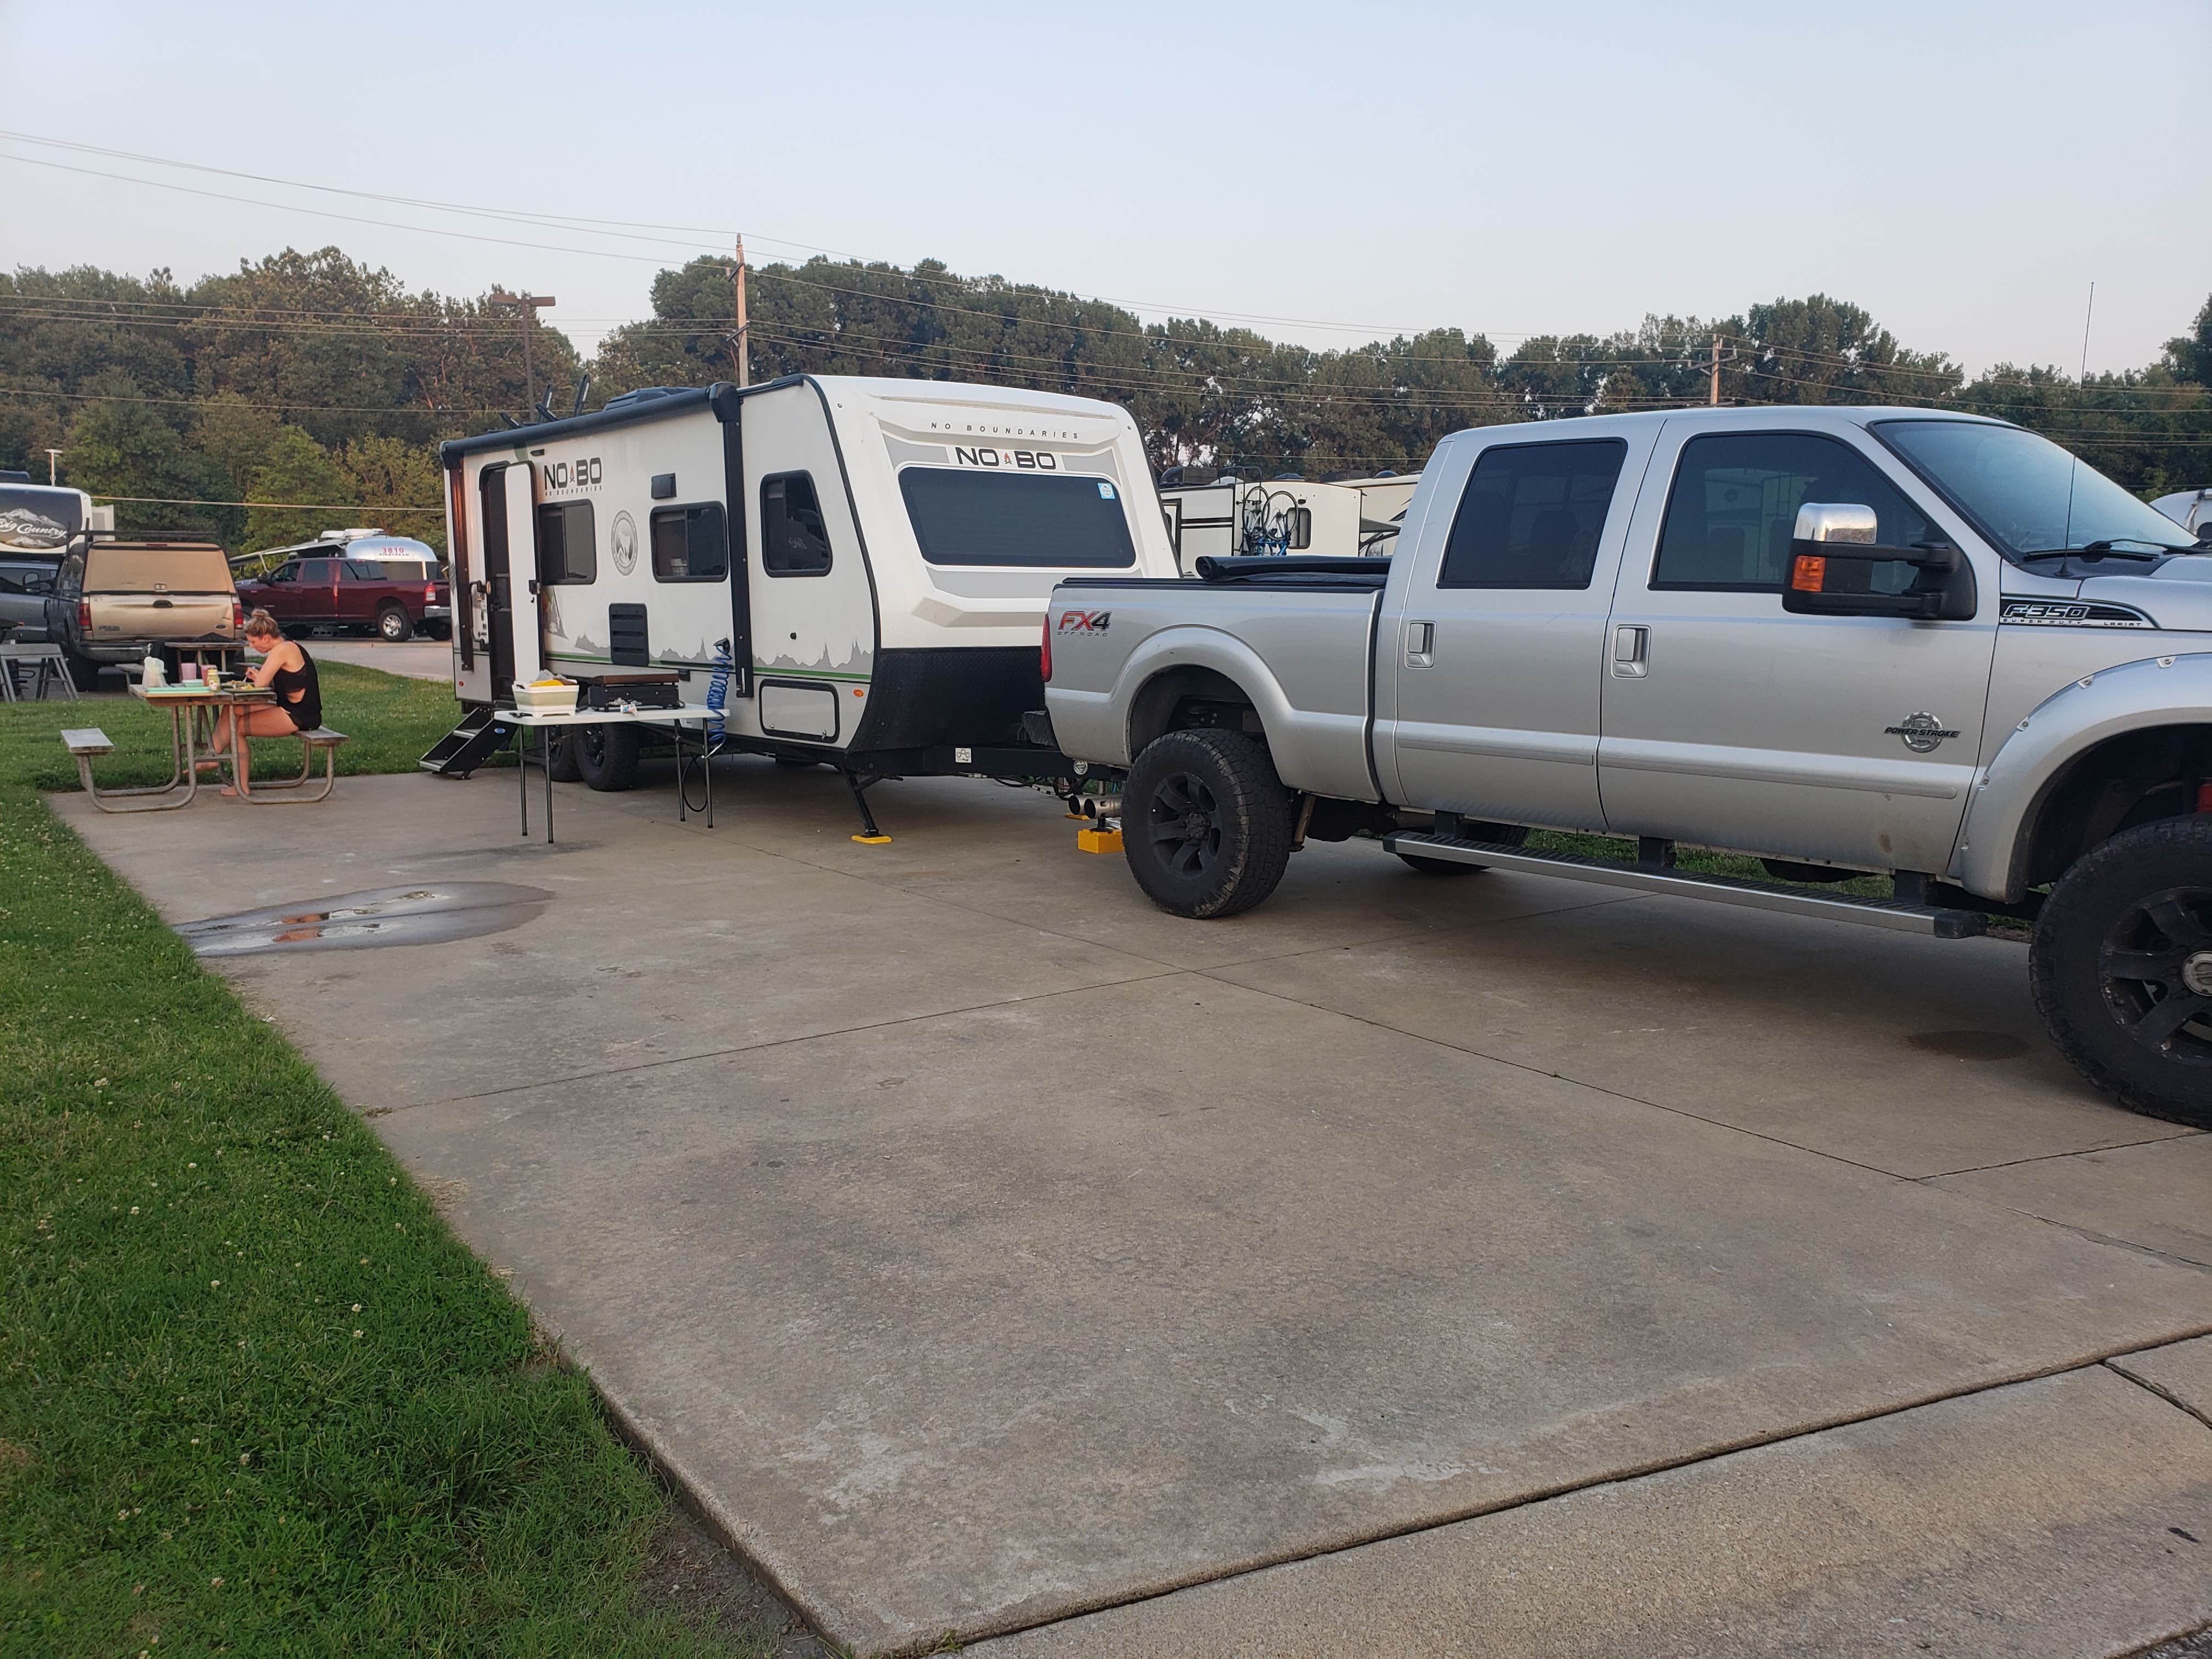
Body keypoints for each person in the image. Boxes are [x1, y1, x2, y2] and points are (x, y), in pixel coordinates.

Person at [206, 608, 321, 797]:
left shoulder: (283, 649)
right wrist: (260, 677)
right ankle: (213, 755)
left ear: (266, 638)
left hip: (300, 715)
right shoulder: (285, 648)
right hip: (287, 706)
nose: (252, 647)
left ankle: (236, 781)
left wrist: (259, 679)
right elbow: (277, 683)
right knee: (232, 709)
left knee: (238, 727)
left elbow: (260, 687)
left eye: (253, 642)